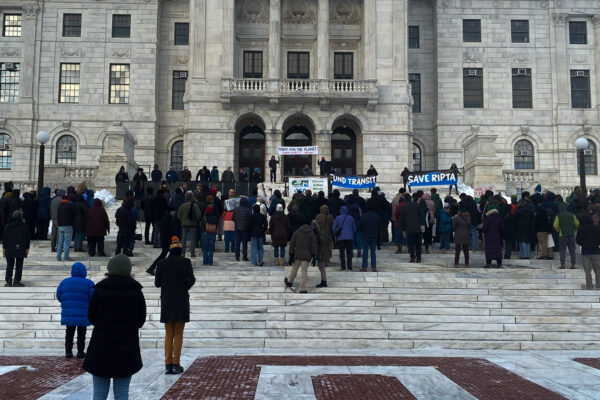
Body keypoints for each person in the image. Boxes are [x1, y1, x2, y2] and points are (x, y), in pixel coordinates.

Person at [83, 254, 146, 400]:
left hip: (101, 348)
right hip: (126, 349)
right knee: (122, 393)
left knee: (99, 394)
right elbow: (141, 320)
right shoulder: (136, 292)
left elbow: (91, 317)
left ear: (110, 269)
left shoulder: (100, 290)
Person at [155, 236, 196, 374]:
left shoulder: (161, 263)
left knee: (168, 333)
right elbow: (191, 279)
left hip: (167, 301)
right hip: (181, 300)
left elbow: (157, 283)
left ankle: (168, 363)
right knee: (178, 333)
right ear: (180, 250)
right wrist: (184, 286)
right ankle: (176, 363)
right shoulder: (185, 262)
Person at [56, 262, 94, 358]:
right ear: (84, 271)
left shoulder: (64, 282)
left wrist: (66, 303)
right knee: (82, 332)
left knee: (69, 332)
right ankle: (80, 352)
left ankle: (68, 352)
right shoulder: (89, 283)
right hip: (83, 312)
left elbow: (59, 296)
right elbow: (93, 297)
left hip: (69, 312)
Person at [285, 223, 318, 293]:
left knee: (294, 268)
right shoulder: (311, 233)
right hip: (306, 255)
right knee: (304, 271)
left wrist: (291, 254)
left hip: (297, 254)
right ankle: (302, 288)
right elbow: (313, 245)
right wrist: (314, 256)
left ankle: (289, 282)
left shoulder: (296, 232)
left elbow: (292, 244)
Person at [3, 210, 30, 287]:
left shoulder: (8, 226)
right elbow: (27, 238)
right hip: (21, 248)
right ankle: (16, 281)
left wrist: (4, 248)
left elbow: (5, 238)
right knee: (19, 265)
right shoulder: (24, 226)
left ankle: (8, 281)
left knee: (9, 265)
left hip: (9, 248)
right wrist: (27, 248)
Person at [576, 214, 600, 289]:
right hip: (596, 251)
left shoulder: (581, 229)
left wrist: (583, 244)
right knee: (598, 269)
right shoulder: (596, 228)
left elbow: (577, 240)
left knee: (587, 270)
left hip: (585, 252)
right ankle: (599, 285)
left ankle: (589, 285)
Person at [553, 203, 579, 269]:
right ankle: (573, 265)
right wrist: (573, 228)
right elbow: (577, 224)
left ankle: (563, 265)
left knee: (562, 250)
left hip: (562, 235)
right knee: (572, 250)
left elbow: (555, 225)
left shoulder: (558, 215)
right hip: (571, 234)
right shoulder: (572, 215)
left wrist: (559, 230)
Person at [401, 195, 426, 263]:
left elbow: (402, 220)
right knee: (418, 244)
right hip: (418, 228)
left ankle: (412, 258)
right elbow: (422, 215)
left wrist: (403, 229)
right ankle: (419, 258)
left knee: (411, 244)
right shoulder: (417, 205)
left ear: (405, 199)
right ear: (411, 198)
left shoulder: (404, 207)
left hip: (409, 228)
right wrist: (423, 224)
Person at [313, 205, 334, 285]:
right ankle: (327, 260)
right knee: (328, 248)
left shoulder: (318, 216)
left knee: (321, 247)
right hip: (328, 235)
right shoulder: (330, 216)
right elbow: (333, 224)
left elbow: (315, 224)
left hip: (320, 234)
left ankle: (322, 259)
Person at [332, 206, 357, 271]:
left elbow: (333, 228)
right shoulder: (351, 218)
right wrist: (353, 235)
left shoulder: (338, 218)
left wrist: (335, 234)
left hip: (341, 238)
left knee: (342, 252)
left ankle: (343, 266)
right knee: (349, 252)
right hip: (350, 237)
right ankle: (349, 266)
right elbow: (354, 228)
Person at [177, 192, 200, 258]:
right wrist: (195, 220)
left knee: (183, 239)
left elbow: (178, 215)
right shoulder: (195, 205)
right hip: (193, 225)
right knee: (192, 239)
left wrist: (182, 220)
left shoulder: (182, 205)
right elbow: (198, 215)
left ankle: (182, 253)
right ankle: (192, 253)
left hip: (184, 224)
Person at [358, 208, 381, 272]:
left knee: (365, 252)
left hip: (365, 236)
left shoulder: (364, 216)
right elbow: (379, 228)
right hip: (374, 236)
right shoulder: (377, 216)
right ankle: (374, 267)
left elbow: (360, 226)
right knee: (373, 252)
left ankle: (364, 267)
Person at [57, 195, 75, 262]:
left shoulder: (59, 205)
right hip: (68, 225)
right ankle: (66, 257)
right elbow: (73, 214)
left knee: (60, 242)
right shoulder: (70, 205)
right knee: (67, 242)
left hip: (60, 225)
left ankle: (58, 257)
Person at [233, 197, 251, 262]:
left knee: (237, 244)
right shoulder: (248, 210)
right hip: (245, 229)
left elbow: (233, 218)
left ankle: (237, 257)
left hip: (237, 228)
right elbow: (249, 220)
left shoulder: (235, 209)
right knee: (244, 244)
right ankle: (244, 257)